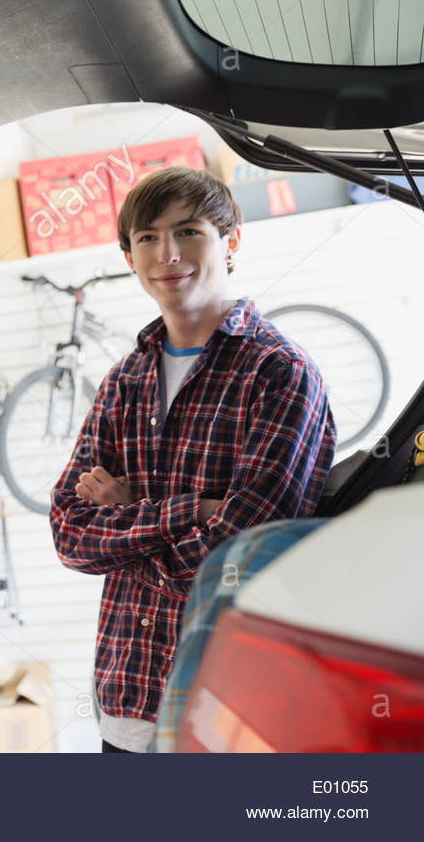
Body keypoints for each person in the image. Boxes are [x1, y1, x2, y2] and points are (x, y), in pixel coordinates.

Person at [48, 166, 337, 753]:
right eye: (148, 238)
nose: (168, 254)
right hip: (126, 708)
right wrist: (193, 511)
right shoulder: (125, 379)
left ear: (230, 243)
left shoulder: (279, 374)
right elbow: (71, 535)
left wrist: (133, 514)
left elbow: (242, 557)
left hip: (232, 714)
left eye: (188, 232)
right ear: (129, 256)